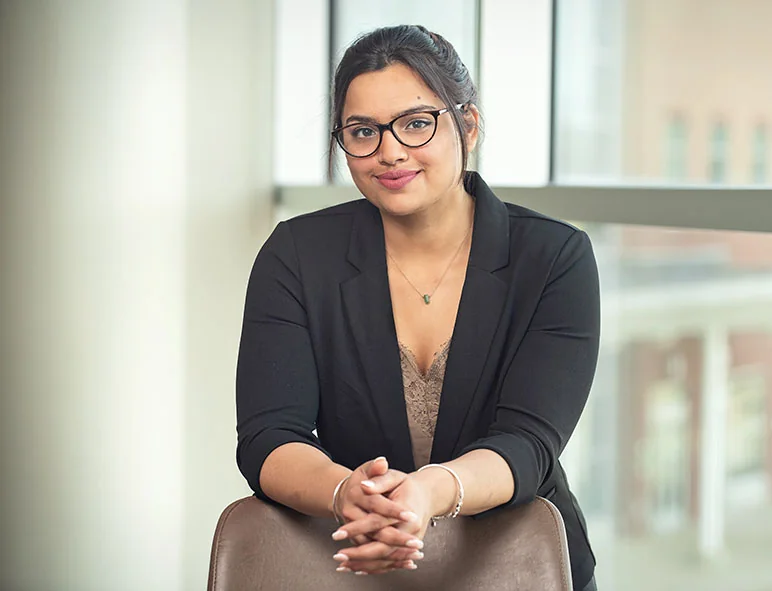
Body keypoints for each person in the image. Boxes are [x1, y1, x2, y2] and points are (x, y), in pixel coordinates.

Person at [235, 25, 600, 590]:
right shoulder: (297, 255)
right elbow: (269, 435)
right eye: (362, 131)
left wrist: (428, 493)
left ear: (469, 125)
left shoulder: (554, 257)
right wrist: (344, 492)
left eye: (415, 123)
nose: (390, 151)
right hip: (348, 558)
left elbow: (529, 443)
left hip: (513, 563)